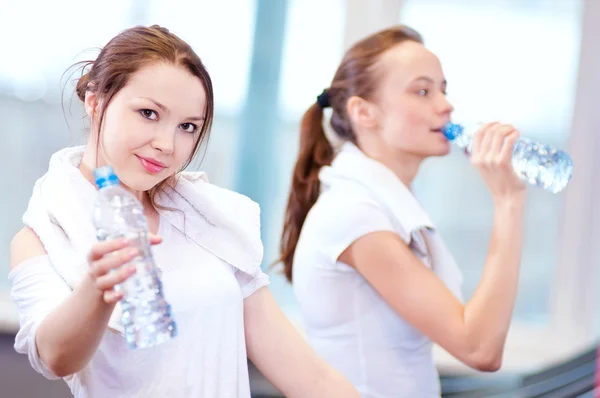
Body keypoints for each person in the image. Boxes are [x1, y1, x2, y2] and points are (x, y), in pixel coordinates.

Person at [9, 25, 360, 398]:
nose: (167, 144)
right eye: (148, 113)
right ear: (95, 102)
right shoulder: (45, 236)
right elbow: (54, 357)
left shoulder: (209, 220)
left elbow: (311, 379)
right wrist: (97, 288)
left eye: (187, 126)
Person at [279, 25, 528, 397]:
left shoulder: (381, 203)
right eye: (422, 91)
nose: (446, 105)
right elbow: (479, 349)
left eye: (443, 89)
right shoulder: (355, 215)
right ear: (364, 112)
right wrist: (508, 203)